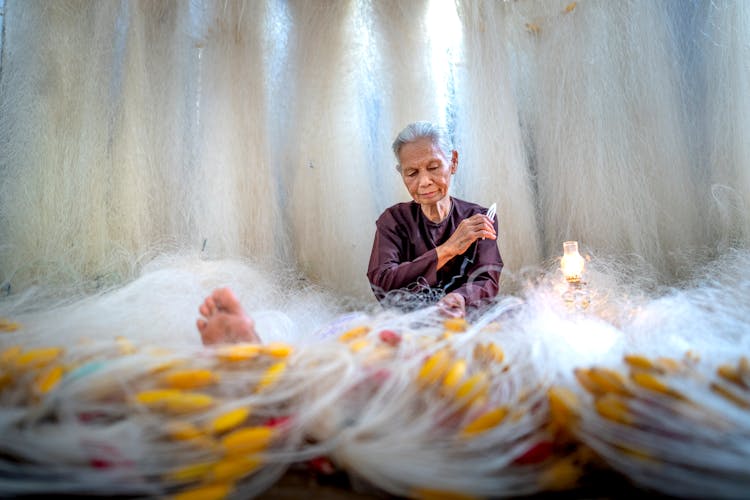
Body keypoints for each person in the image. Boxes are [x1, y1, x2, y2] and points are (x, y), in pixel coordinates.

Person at [367, 121, 503, 318]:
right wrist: (447, 249)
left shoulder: (477, 219)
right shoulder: (393, 221)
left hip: (466, 325)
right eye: (412, 173)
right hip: (409, 329)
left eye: (433, 167)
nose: (424, 182)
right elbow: (383, 283)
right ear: (402, 174)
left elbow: (487, 278)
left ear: (453, 162)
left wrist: (461, 298)